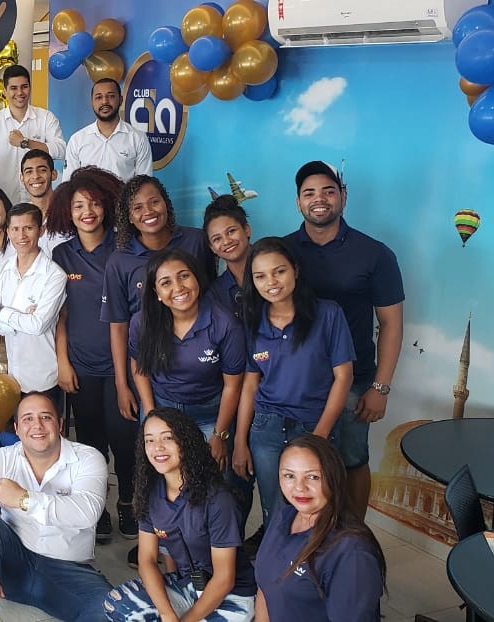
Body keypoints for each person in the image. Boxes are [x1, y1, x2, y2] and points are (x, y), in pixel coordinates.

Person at [283, 161, 403, 518]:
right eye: (309, 193)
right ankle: (294, 536)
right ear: (298, 202)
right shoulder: (283, 252)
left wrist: (380, 388)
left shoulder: (375, 254)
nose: (319, 199)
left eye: (328, 191)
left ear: (343, 197)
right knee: (298, 464)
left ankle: (353, 535)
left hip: (354, 380)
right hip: (296, 381)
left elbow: (391, 324)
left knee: (352, 461)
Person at [0, 393, 112, 622]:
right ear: (16, 429)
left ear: (60, 424)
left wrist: (24, 499)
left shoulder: (88, 459)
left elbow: (87, 512)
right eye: (27, 418)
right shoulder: (0, 459)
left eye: (46, 417)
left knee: (110, 607)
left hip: (67, 573)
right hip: (13, 564)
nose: (37, 425)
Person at [234, 237, 355, 529]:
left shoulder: (327, 313)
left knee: (316, 509)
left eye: (279, 271)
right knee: (274, 510)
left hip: (314, 424)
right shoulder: (253, 322)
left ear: (295, 270)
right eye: (260, 276)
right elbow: (250, 385)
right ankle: (276, 557)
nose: (271, 282)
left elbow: (343, 377)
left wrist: (320, 436)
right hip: (267, 428)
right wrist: (239, 441)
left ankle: (313, 558)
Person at [130, 248, 252, 526]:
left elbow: (233, 385)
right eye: (166, 282)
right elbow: (140, 368)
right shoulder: (143, 322)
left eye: (184, 276)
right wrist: (151, 416)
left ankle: (219, 542)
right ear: (156, 292)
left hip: (210, 413)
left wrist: (219, 434)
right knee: (160, 480)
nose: (178, 287)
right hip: (161, 407)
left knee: (218, 480)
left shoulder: (225, 324)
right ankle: (168, 542)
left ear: (197, 278)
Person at [47, 170, 137, 542]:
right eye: (79, 206)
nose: (88, 212)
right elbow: (60, 314)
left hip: (121, 367)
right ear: (67, 212)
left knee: (124, 439)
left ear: (107, 206)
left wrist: (126, 378)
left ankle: (128, 502)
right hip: (80, 365)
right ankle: (97, 506)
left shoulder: (124, 248)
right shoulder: (61, 254)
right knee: (89, 444)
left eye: (95, 203)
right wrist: (63, 362)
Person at [103, 408, 256, 621]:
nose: (157, 447)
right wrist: (167, 614)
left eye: (168, 438)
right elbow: (147, 560)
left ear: (186, 441)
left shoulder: (218, 499)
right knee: (117, 604)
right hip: (186, 585)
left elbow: (224, 579)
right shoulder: (149, 492)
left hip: (232, 595)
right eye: (149, 440)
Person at [102, 175, 216, 422]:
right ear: (128, 217)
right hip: (150, 377)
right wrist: (121, 384)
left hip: (202, 376)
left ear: (166, 203)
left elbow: (211, 297)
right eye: (137, 207)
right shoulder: (120, 261)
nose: (148, 212)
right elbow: (118, 326)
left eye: (154, 202)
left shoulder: (196, 240)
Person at [254, 435, 386, 621]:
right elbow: (265, 588)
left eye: (313, 477)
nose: (299, 488)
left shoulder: (351, 552)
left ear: (333, 478)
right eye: (289, 476)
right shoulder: (285, 514)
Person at [0, 203, 67, 405]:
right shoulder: (1, 270)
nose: (22, 235)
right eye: (15, 229)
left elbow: (38, 326)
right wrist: (22, 320)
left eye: (28, 228)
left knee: (46, 424)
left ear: (41, 230)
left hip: (43, 376)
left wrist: (2, 312)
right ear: (8, 231)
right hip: (12, 376)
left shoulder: (54, 275)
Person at [0, 65, 66, 203]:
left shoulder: (46, 117)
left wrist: (26, 143)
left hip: (41, 203)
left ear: (30, 88)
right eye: (14, 88)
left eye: (24, 87)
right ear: (5, 91)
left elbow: (61, 150)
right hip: (7, 205)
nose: (20, 92)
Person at [64, 78, 152, 182]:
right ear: (92, 102)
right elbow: (68, 184)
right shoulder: (77, 140)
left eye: (111, 96)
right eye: (99, 97)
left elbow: (144, 184)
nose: (104, 101)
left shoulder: (138, 138)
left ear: (121, 100)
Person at [203, 195, 253, 315]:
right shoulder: (215, 294)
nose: (226, 241)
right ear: (212, 248)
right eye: (217, 239)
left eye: (231, 231)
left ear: (246, 229)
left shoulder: (275, 269)